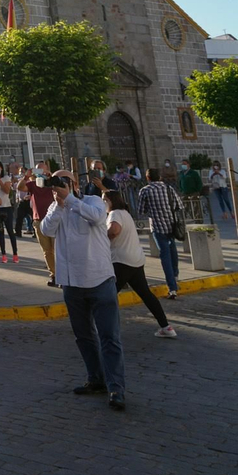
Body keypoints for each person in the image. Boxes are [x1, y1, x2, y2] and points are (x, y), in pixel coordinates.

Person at [39, 172, 126, 411]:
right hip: (72, 283)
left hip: (100, 280)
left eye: (64, 181)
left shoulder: (92, 201)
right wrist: (59, 204)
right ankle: (95, 378)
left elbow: (98, 218)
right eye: (56, 182)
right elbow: (47, 230)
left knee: (109, 337)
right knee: (84, 337)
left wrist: (71, 200)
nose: (60, 185)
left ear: (75, 184)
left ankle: (116, 387)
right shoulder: (55, 208)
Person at [102, 190, 176, 338]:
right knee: (146, 294)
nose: (102, 203)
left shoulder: (115, 214)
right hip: (135, 260)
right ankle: (166, 327)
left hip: (121, 261)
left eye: (104, 200)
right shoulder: (125, 213)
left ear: (111, 201)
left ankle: (102, 329)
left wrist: (102, 236)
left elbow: (114, 230)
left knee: (106, 297)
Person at [136, 168, 185, 299]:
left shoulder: (145, 191)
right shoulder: (169, 188)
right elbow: (179, 205)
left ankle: (172, 287)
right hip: (171, 225)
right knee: (172, 249)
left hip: (157, 227)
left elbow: (141, 210)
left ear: (148, 178)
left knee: (165, 256)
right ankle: (175, 275)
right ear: (160, 177)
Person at [18, 166, 58, 287]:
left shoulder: (52, 183)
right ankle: (54, 275)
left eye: (43, 170)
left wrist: (52, 178)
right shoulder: (33, 184)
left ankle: (63, 274)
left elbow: (62, 190)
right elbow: (20, 187)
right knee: (47, 251)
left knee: (58, 249)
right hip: (39, 220)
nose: (41, 173)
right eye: (38, 170)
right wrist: (26, 176)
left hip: (54, 220)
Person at [9, 162, 35, 238]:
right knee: (19, 218)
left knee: (33, 218)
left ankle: (35, 233)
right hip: (22, 201)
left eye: (23, 172)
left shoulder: (30, 180)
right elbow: (15, 187)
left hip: (29, 201)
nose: (21, 173)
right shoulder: (20, 180)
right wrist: (13, 181)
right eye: (20, 172)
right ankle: (18, 232)